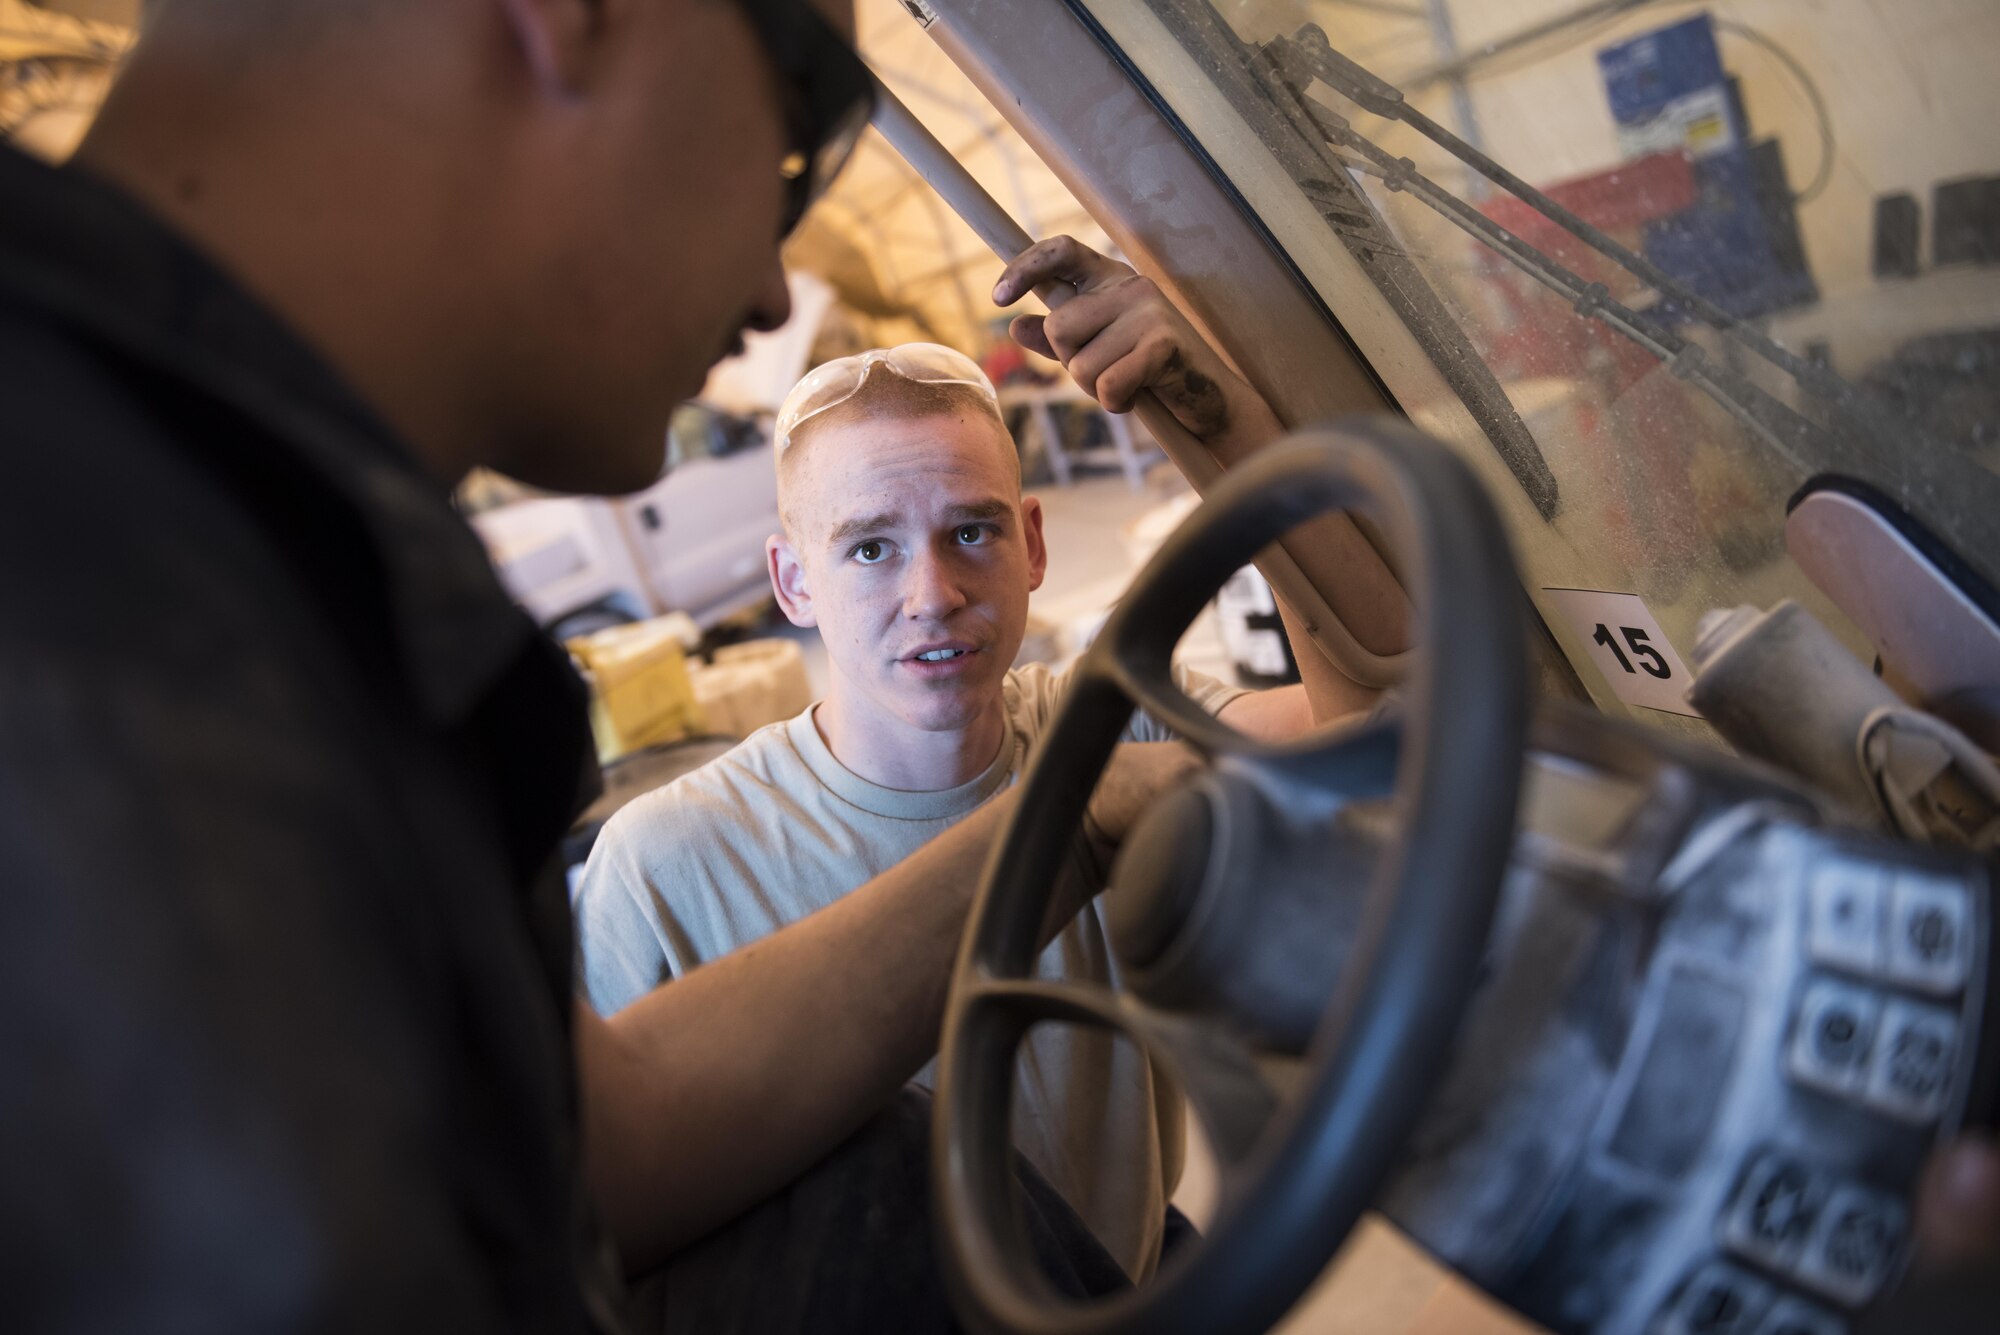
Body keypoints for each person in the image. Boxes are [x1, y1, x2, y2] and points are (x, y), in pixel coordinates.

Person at [0, 1, 1989, 1330]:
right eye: (788, 163)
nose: (771, 283)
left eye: (971, 530)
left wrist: (1095, 731)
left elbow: (586, 1147)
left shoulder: (236, 565)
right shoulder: (106, 595)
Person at [575, 291, 1355, 1276]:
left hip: (1125, 1281)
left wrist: (1219, 424)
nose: (931, 596)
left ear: (1032, 544)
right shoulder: (661, 869)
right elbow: (569, 1228)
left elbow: (1371, 721)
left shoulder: (1108, 723)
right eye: (869, 548)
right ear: (793, 581)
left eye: (972, 533)